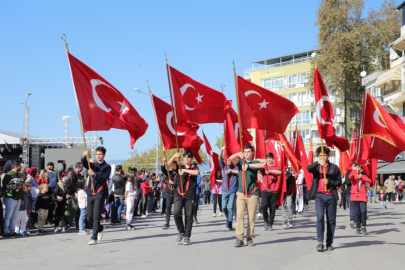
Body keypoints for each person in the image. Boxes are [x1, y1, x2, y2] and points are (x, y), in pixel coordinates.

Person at [307, 146, 342, 252]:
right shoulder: (316, 168)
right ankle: (320, 242)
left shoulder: (334, 167)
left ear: (328, 156)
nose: (322, 157)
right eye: (320, 155)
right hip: (319, 196)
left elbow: (339, 182)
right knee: (320, 218)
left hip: (331, 195)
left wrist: (330, 182)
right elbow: (308, 168)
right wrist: (318, 163)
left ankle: (329, 243)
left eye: (324, 155)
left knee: (331, 220)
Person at [230, 145, 263, 248]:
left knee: (251, 216)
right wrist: (238, 155)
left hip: (253, 193)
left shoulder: (254, 162)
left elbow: (262, 166)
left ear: (252, 152)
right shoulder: (240, 162)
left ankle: (250, 237)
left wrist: (249, 166)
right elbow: (231, 159)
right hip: (241, 192)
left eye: (249, 151)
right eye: (245, 151)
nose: (247, 153)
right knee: (239, 215)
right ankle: (239, 238)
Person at [167, 151, 200, 246]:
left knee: (189, 216)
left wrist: (185, 171)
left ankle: (187, 236)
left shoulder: (194, 167)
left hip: (189, 195)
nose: (186, 159)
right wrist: (174, 155)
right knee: (176, 213)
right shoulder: (179, 166)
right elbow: (169, 164)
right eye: (185, 157)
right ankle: (181, 231)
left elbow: (197, 173)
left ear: (191, 159)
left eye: (189, 157)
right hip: (179, 194)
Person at [81, 147, 111, 245]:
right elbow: (84, 163)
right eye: (97, 154)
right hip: (90, 192)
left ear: (104, 155)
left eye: (100, 154)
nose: (98, 156)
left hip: (100, 192)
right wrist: (83, 156)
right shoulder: (93, 165)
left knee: (96, 214)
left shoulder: (107, 167)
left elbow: (103, 178)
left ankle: (93, 238)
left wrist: (94, 174)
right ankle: (100, 228)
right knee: (89, 216)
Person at [258, 152, 281, 231]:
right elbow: (258, 166)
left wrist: (270, 171)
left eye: (270, 158)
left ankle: (270, 223)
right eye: (267, 158)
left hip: (274, 190)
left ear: (272, 159)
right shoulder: (264, 166)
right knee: (264, 206)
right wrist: (262, 163)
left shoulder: (276, 167)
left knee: (272, 208)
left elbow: (280, 172)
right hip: (264, 189)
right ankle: (266, 221)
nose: (269, 160)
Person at [2, 160, 24, 238]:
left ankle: (12, 231)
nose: (21, 167)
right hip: (10, 198)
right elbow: (5, 187)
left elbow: (21, 188)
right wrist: (15, 187)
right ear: (16, 166)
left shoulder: (17, 175)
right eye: (20, 166)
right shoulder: (9, 175)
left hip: (17, 198)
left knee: (14, 216)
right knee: (8, 216)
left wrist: (22, 198)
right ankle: (6, 231)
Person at [219, 146, 239, 230]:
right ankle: (228, 219)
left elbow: (239, 172)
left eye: (230, 160)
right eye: (227, 160)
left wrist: (231, 171)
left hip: (232, 191)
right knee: (224, 207)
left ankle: (230, 222)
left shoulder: (235, 167)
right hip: (225, 190)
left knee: (230, 207)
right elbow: (219, 158)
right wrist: (222, 150)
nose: (228, 161)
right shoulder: (224, 167)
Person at [349, 162, 371, 235]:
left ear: (362, 170)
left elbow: (369, 181)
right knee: (357, 213)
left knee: (363, 211)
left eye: (360, 169)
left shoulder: (363, 176)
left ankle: (363, 226)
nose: (359, 170)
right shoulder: (353, 176)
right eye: (357, 168)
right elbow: (350, 176)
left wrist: (361, 176)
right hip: (355, 197)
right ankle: (358, 227)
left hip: (362, 196)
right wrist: (354, 171)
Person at [161, 159, 175, 230]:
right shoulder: (169, 173)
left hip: (177, 192)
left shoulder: (180, 173)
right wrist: (163, 161)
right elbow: (163, 169)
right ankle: (167, 223)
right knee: (168, 208)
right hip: (169, 192)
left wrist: (174, 183)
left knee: (177, 209)